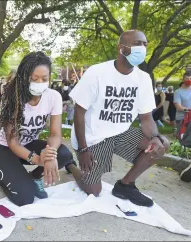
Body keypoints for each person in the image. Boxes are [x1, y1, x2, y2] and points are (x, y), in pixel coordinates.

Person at [69, 30, 170, 207]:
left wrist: (155, 138)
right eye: (138, 43)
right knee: (94, 190)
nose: (142, 48)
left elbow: (146, 118)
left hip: (121, 133)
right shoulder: (97, 72)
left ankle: (125, 185)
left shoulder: (143, 78)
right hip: (94, 138)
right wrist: (83, 149)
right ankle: (71, 166)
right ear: (121, 48)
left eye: (145, 44)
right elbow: (79, 112)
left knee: (162, 144)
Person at [0, 52, 76, 206]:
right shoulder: (11, 96)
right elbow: (12, 142)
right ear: (23, 77)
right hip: (4, 147)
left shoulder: (54, 96)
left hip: (28, 144)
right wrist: (37, 159)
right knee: (25, 198)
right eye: (34, 78)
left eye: (44, 79)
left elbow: (56, 134)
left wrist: (50, 153)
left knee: (63, 154)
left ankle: (33, 177)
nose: (40, 82)